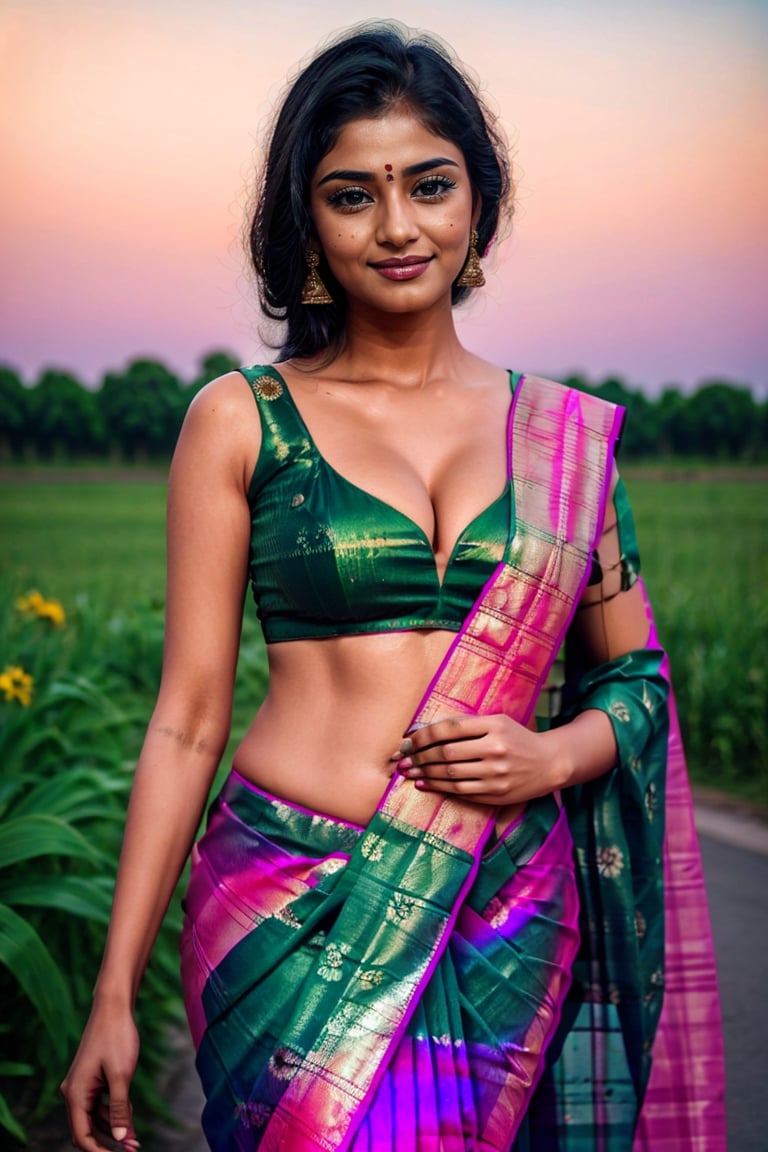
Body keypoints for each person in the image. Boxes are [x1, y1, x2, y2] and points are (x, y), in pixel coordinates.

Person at [61, 22, 725, 1152]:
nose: (399, 227)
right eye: (352, 196)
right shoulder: (242, 419)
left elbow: (637, 682)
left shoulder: (562, 440)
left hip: (504, 903)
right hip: (282, 900)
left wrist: (553, 755)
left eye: (429, 186)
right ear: (305, 220)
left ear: (480, 202)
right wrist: (114, 992)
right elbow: (186, 721)